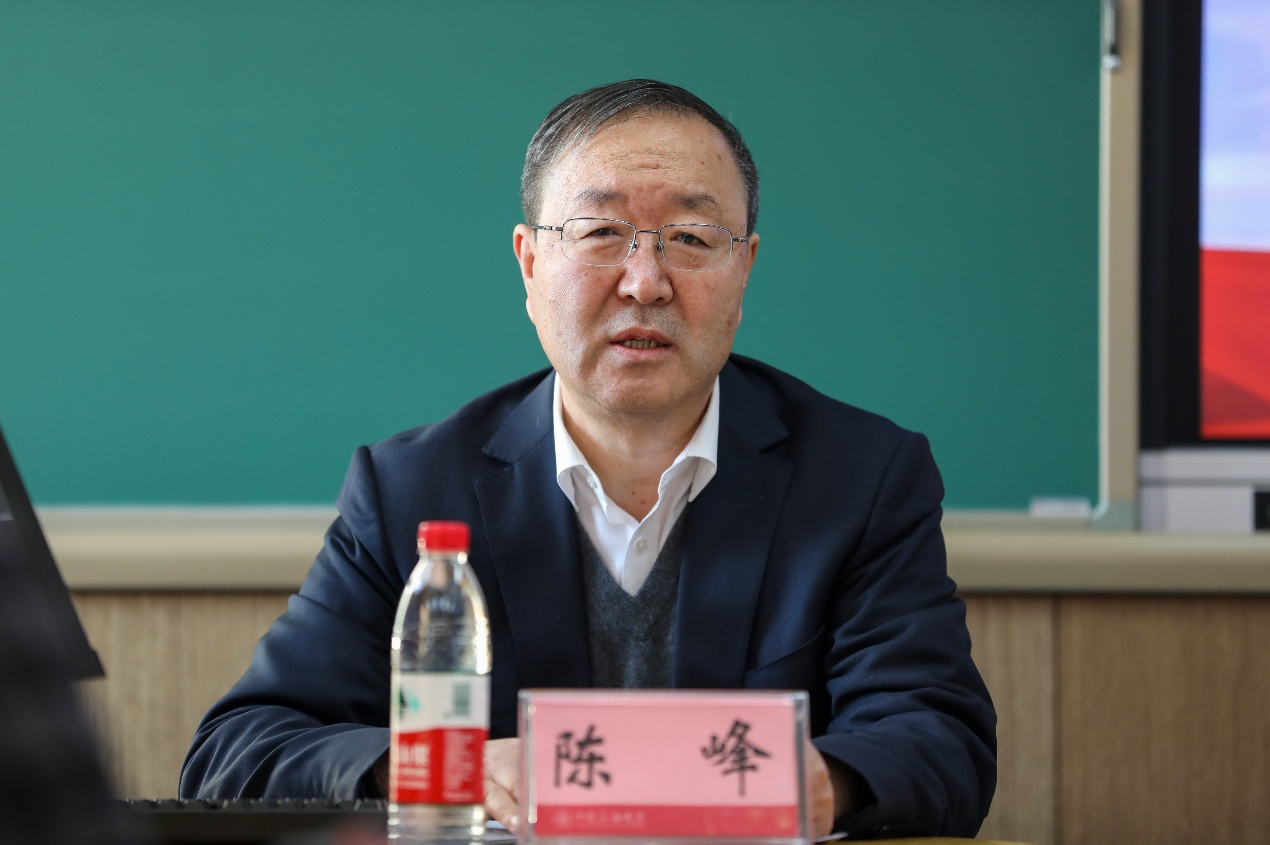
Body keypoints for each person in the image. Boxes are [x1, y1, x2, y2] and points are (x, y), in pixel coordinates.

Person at [180, 79, 996, 839]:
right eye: (601, 233)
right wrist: (452, 769)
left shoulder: (861, 477)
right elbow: (236, 754)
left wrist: (818, 781)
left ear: (744, 269)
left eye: (691, 238)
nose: (645, 282)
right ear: (530, 264)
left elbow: (941, 741)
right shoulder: (410, 490)